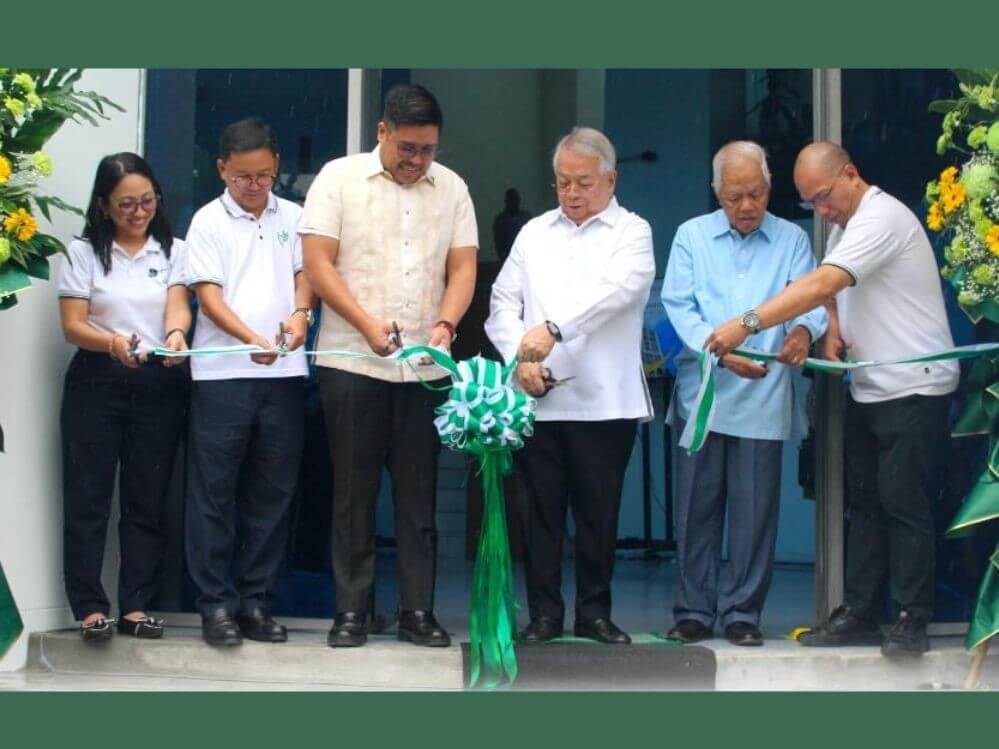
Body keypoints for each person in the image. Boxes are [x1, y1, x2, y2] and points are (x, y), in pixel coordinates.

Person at [705, 141, 959, 656]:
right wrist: (836, 328)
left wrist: (746, 324)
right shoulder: (846, 225)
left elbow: (822, 280)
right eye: (811, 204)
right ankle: (862, 613)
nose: (821, 211)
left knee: (902, 503)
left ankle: (911, 619)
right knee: (864, 503)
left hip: (916, 386)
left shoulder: (880, 218)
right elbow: (832, 290)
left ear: (851, 174)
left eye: (823, 197)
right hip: (870, 386)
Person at [300, 84, 478, 648]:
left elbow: (464, 269)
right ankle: (352, 611)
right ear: (381, 132)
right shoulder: (338, 178)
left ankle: (416, 612)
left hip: (423, 367)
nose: (418, 161)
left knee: (418, 497)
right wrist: (365, 323)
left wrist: (446, 326)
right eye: (408, 148)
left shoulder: (451, 189)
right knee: (352, 493)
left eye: (428, 150)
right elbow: (317, 263)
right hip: (352, 360)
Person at [489, 127, 655, 645]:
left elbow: (621, 292)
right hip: (539, 399)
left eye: (583, 182)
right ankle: (543, 614)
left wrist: (554, 329)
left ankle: (594, 612)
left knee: (598, 513)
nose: (573, 194)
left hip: (607, 401)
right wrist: (519, 354)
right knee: (539, 514)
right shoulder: (535, 232)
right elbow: (501, 304)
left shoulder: (632, 230)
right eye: (563, 183)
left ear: (611, 179)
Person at [661, 141, 827, 647]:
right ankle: (692, 610)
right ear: (718, 193)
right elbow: (678, 305)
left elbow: (812, 299)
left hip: (764, 395)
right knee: (695, 509)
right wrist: (716, 349)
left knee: (755, 514)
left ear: (769, 187)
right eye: (735, 197)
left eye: (755, 194)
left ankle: (742, 613)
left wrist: (803, 333)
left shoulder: (792, 240)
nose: (747, 206)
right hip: (704, 393)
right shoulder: (692, 236)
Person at [184, 118, 314, 647]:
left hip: (283, 376)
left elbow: (308, 275)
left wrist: (301, 314)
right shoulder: (207, 222)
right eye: (242, 177)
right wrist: (251, 338)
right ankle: (214, 605)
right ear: (222, 170)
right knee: (213, 494)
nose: (254, 185)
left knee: (273, 492)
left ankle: (256, 600)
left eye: (262, 175)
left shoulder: (296, 217)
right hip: (222, 375)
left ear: (276, 165)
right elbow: (209, 299)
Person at [57, 152, 190, 642]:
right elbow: (73, 325)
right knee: (88, 496)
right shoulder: (83, 252)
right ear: (103, 206)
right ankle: (90, 607)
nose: (139, 212)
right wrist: (112, 343)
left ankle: (136, 604)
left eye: (147, 200)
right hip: (97, 380)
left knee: (146, 499)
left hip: (158, 382)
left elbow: (178, 309)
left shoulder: (174, 248)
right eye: (126, 204)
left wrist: (176, 336)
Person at [492, 187, 531, 261]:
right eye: (512, 200)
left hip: (527, 257)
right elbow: (499, 245)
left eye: (516, 199)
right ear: (506, 201)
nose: (514, 202)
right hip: (509, 259)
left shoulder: (526, 217)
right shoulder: (501, 220)